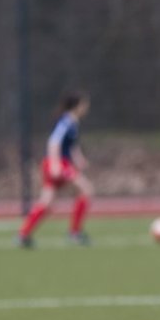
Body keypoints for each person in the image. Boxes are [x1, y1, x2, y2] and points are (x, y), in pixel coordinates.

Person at [17, 92, 93, 247]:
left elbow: (71, 146)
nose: (86, 108)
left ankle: (23, 235)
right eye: (84, 104)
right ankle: (75, 233)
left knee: (47, 203)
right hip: (57, 163)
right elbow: (53, 142)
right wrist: (55, 164)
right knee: (86, 189)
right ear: (77, 106)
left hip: (59, 163)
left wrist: (79, 160)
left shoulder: (73, 122)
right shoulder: (65, 122)